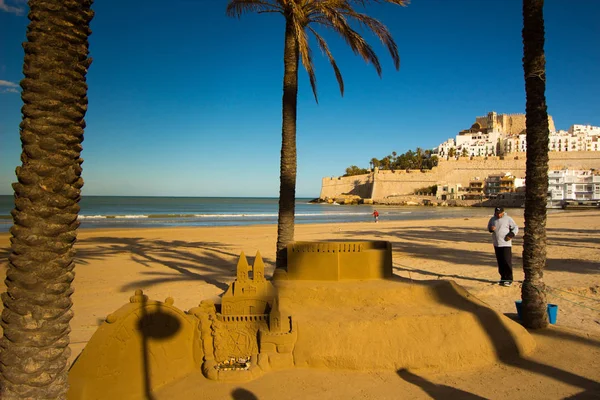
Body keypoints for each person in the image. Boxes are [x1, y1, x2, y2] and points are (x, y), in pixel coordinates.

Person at [487, 207, 518, 286]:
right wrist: (491, 229)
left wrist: (510, 235)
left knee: (507, 261)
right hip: (496, 243)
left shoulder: (508, 219)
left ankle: (509, 279)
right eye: (497, 213)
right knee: (500, 262)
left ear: (503, 212)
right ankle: (503, 278)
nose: (499, 214)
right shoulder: (492, 219)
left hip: (506, 243)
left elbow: (515, 228)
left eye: (500, 213)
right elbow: (489, 227)